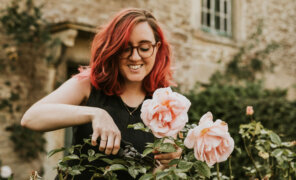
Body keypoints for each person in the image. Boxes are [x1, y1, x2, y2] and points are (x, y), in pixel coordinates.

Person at [21, 8, 182, 179]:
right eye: (125, 48)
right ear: (113, 49)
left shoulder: (166, 103)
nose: (135, 57)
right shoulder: (89, 84)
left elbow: (156, 173)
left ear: (156, 48)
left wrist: (171, 161)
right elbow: (31, 118)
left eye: (144, 48)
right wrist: (95, 113)